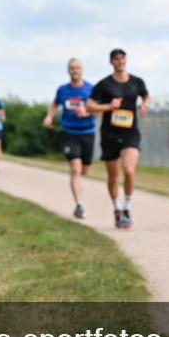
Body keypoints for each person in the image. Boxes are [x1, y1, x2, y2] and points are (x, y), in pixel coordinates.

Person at [87, 49, 150, 229]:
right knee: (113, 176)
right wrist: (109, 106)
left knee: (129, 170)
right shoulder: (104, 84)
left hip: (130, 133)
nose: (120, 61)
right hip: (110, 135)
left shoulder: (137, 82)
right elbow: (90, 106)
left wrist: (145, 105)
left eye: (123, 58)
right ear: (111, 62)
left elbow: (146, 95)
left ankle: (127, 207)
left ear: (126, 60)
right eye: (116, 59)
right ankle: (117, 208)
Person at [44, 58, 97, 219]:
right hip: (69, 132)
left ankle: (77, 184)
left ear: (82, 70)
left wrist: (87, 113)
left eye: (78, 68)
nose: (75, 70)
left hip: (88, 132)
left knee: (84, 170)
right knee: (75, 168)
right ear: (68, 70)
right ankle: (79, 205)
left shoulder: (91, 89)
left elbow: (101, 110)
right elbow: (55, 104)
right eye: (72, 68)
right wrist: (49, 116)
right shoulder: (63, 90)